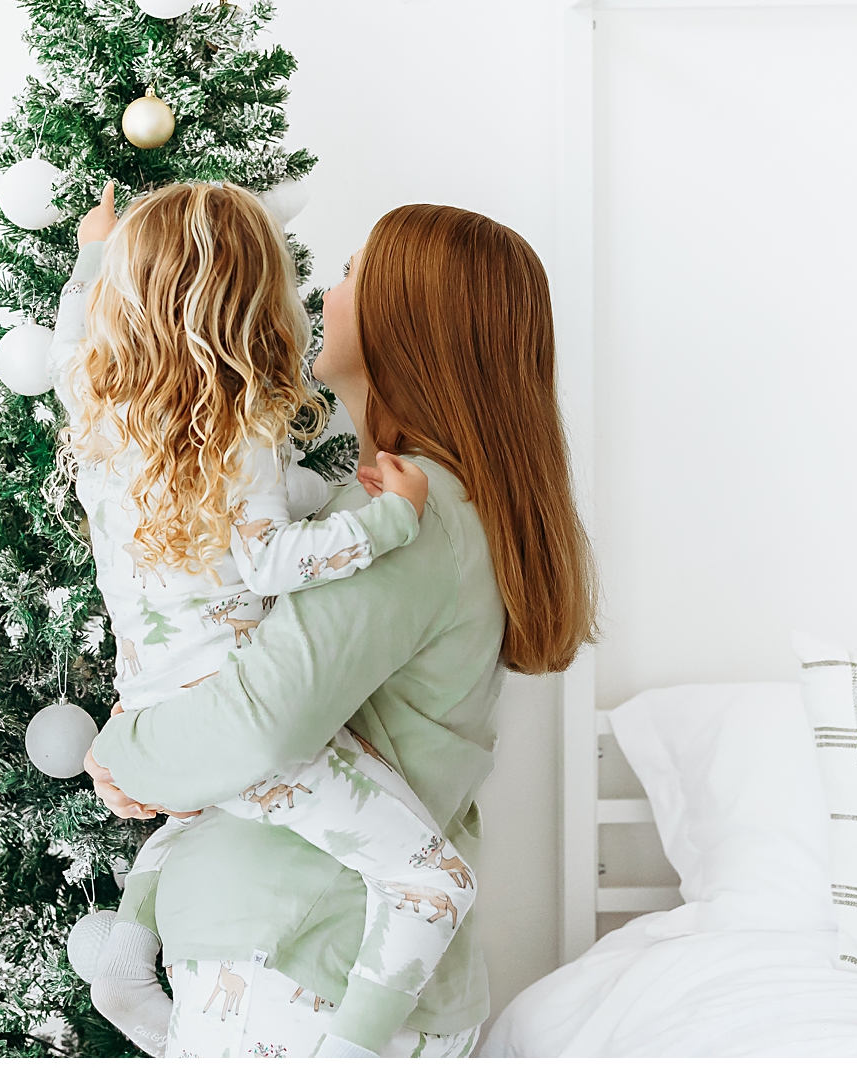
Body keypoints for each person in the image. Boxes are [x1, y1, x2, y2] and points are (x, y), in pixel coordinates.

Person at [86, 203, 597, 1058]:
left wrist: (124, 751)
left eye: (353, 273)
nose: (323, 288)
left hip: (299, 965)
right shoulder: (398, 506)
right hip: (302, 952)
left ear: (409, 321)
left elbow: (258, 724)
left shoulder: (408, 516)